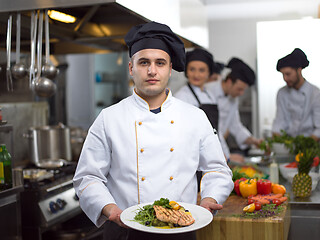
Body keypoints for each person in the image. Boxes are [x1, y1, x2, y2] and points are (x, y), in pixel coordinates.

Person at [73, 21, 234, 240]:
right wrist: (111, 210)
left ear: (170, 69)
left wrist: (209, 198)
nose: (152, 70)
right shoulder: (109, 118)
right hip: (124, 230)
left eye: (160, 63)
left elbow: (217, 169)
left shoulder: (195, 117)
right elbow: (88, 177)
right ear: (131, 68)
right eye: (143, 62)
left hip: (181, 229)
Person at [205, 58, 262, 163]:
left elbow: (236, 126)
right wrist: (227, 156)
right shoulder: (207, 91)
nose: (241, 94)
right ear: (229, 82)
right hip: (207, 150)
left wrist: (254, 141)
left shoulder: (233, 99)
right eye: (239, 89)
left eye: (243, 90)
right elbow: (211, 131)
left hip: (220, 149)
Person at [272, 48, 320, 141]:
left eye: (288, 74)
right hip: (288, 145)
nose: (285, 78)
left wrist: (304, 145)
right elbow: (279, 121)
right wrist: (276, 141)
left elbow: (319, 127)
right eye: (283, 75)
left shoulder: (315, 93)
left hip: (309, 146)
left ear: (299, 70)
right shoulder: (282, 93)